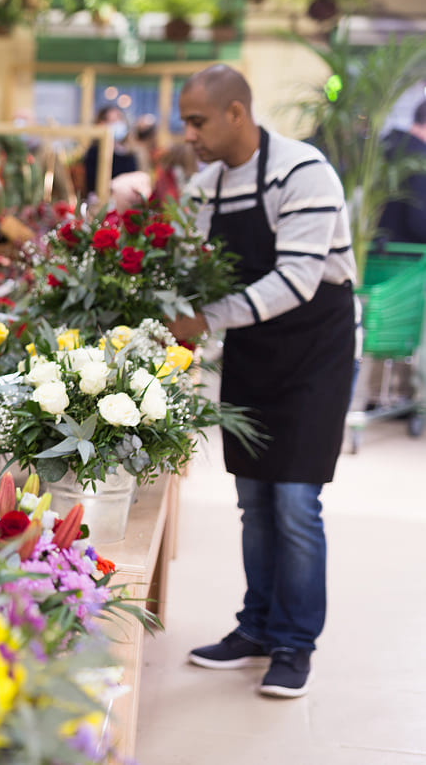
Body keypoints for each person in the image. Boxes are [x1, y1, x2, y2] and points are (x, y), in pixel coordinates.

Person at [167, 64, 357, 699]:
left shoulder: (303, 173)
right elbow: (188, 270)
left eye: (197, 121)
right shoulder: (204, 189)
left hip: (315, 352)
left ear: (236, 114)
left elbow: (298, 281)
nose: (188, 133)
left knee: (297, 504)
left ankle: (294, 644)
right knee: (253, 503)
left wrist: (203, 320)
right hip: (254, 350)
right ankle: (256, 629)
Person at [376, 98, 426, 244]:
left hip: (377, 250)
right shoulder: (419, 160)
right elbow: (419, 222)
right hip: (410, 257)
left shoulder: (386, 147)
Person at [82, 105, 139, 199]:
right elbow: (92, 183)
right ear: (102, 124)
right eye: (112, 121)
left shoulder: (129, 153)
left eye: (119, 119)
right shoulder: (94, 152)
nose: (117, 124)